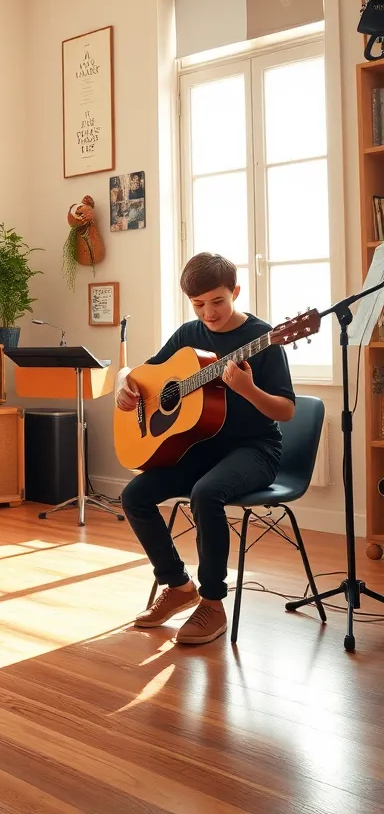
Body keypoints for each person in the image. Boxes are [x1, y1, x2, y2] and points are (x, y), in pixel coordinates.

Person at [116, 252, 295, 645]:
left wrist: (248, 390)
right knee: (134, 495)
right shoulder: (187, 336)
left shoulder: (264, 339)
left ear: (236, 292)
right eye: (198, 305)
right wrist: (124, 387)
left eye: (217, 301)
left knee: (207, 493)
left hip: (255, 449)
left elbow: (286, 410)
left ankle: (212, 603)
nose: (209, 313)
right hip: (198, 448)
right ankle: (179, 587)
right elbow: (147, 377)